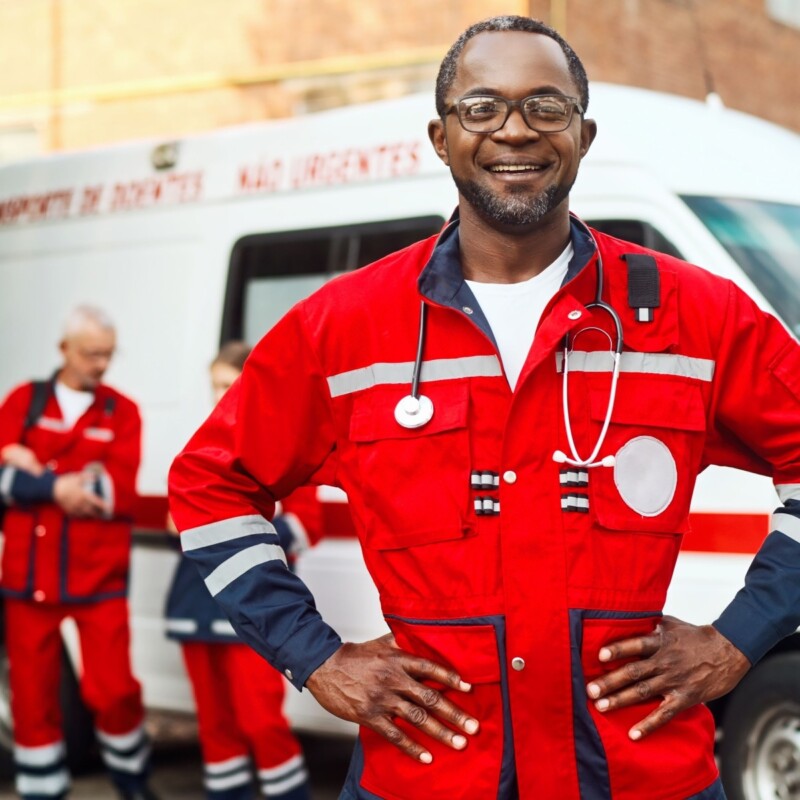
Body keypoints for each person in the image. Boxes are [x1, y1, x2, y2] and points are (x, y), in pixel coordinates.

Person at [168, 15, 800, 800]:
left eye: (546, 106)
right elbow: (208, 483)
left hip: (642, 774)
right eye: (481, 107)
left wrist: (739, 640)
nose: (514, 131)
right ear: (440, 137)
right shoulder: (346, 326)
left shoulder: (691, 315)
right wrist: (316, 656)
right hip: (429, 774)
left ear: (584, 133)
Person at [0, 306, 157, 800]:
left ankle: (132, 781)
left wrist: (30, 473)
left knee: (113, 692)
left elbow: (117, 492)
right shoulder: (24, 401)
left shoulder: (122, 411)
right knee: (31, 697)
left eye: (109, 355)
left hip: (99, 576)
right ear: (64, 349)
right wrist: (55, 484)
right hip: (28, 577)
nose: (101, 365)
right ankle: (43, 790)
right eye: (92, 354)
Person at [165, 341, 317, 800]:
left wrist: (239, 529)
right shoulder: (201, 444)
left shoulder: (285, 442)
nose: (219, 395)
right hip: (195, 601)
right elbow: (178, 516)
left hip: (257, 606)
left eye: (228, 385)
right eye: (215, 386)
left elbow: (307, 524)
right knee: (214, 725)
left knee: (261, 720)